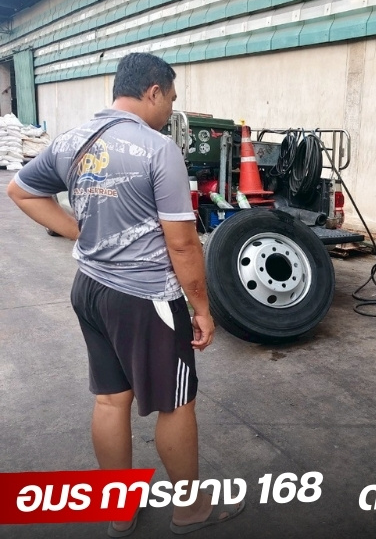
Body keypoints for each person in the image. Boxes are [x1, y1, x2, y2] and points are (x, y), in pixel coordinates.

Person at [6, 53, 244, 536]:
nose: (171, 109)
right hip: (145, 297)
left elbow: (20, 190)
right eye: (170, 98)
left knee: (111, 401)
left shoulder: (71, 140)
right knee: (176, 402)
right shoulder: (158, 149)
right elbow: (183, 244)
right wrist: (202, 308)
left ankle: (119, 509)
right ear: (153, 91)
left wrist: (80, 233)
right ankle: (190, 510)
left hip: (89, 288)